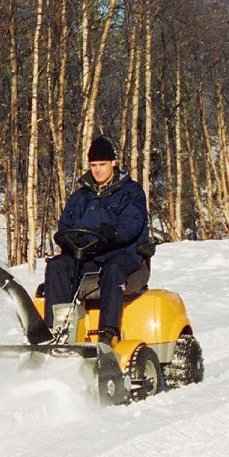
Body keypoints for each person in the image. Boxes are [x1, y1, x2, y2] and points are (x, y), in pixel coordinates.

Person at [43, 135, 149, 345]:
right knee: (56, 266)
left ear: (113, 163)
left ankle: (108, 333)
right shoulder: (80, 196)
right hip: (88, 254)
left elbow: (133, 223)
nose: (98, 169)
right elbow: (65, 224)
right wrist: (71, 240)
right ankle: (55, 332)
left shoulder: (131, 192)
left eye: (102, 164)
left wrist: (114, 233)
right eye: (93, 165)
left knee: (113, 268)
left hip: (125, 255)